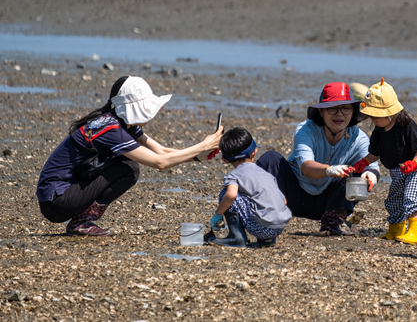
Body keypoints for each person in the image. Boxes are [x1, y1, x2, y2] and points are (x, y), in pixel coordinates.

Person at [36, 76, 222, 236]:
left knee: (127, 163)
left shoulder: (122, 123)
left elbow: (161, 151)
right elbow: (160, 163)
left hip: (64, 194)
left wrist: (198, 156)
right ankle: (82, 222)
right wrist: (204, 144)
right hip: (56, 201)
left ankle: (81, 221)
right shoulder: (110, 129)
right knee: (128, 167)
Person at [256, 82, 380, 236]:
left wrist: (372, 175)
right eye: (332, 108)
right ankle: (269, 215)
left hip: (326, 202)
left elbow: (372, 164)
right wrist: (329, 170)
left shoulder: (358, 137)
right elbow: (306, 167)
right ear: (321, 112)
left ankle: (332, 223)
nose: (339, 114)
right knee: (270, 158)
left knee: (357, 171)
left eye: (346, 108)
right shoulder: (306, 129)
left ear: (353, 111)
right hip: (292, 196)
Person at [353, 79, 417, 245]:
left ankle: (415, 233)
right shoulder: (379, 130)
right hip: (397, 171)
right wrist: (364, 162)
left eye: (375, 117)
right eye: (371, 117)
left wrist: (414, 163)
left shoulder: (407, 126)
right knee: (394, 200)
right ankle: (394, 230)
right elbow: (375, 153)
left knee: (412, 197)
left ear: (388, 113)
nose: (373, 120)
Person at [207, 127, 291, 249]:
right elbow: (284, 201)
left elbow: (231, 195)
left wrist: (217, 215)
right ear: (254, 152)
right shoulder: (266, 174)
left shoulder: (234, 175)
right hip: (279, 227)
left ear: (224, 159)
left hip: (261, 228)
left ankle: (237, 238)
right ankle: (267, 241)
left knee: (225, 194)